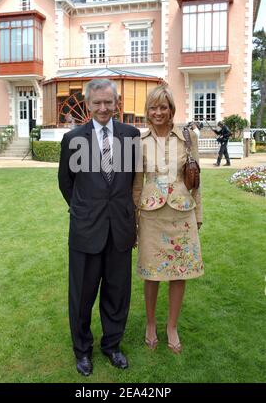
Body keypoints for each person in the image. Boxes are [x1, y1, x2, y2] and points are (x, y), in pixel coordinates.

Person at [58, 79, 140, 377]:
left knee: (117, 293)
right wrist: (84, 208)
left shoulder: (130, 136)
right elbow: (66, 183)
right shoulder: (73, 139)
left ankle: (112, 345)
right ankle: (82, 350)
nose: (103, 108)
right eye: (97, 103)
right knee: (81, 296)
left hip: (120, 228)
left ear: (116, 103)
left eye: (108, 102)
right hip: (86, 230)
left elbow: (132, 180)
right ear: (88, 104)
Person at [133, 85, 204, 354]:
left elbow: (196, 181)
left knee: (180, 271)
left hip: (182, 213)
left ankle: (171, 326)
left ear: (171, 109)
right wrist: (133, 221)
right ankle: (151, 324)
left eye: (164, 107)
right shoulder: (139, 143)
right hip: (151, 215)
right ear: (147, 111)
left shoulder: (188, 138)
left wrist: (198, 214)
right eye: (153, 107)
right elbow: (136, 185)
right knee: (151, 273)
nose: (158, 112)